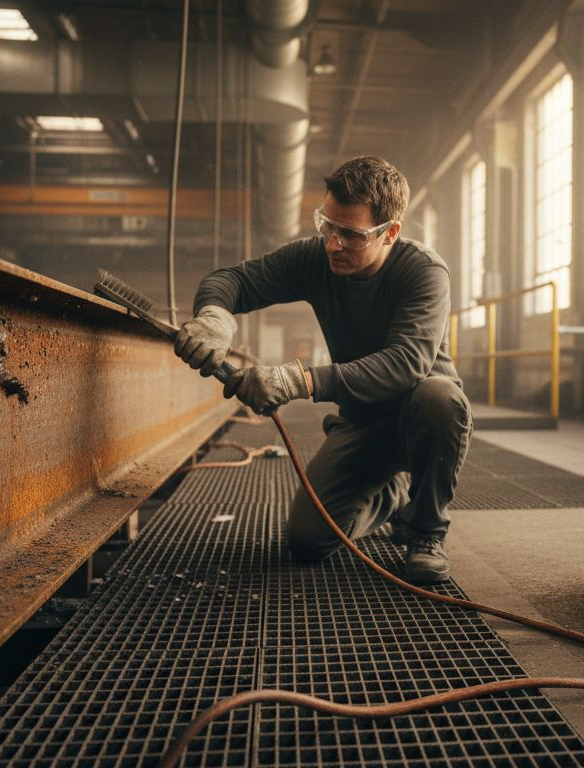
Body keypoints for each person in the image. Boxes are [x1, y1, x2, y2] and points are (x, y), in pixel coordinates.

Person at [173, 156, 471, 585]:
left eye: (350, 234)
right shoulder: (317, 257)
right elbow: (231, 280)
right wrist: (215, 318)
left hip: (419, 417)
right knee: (308, 541)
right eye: (327, 225)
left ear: (390, 233)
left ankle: (425, 530)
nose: (333, 243)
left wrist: (296, 380)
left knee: (438, 397)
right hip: (363, 419)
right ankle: (389, 495)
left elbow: (405, 364)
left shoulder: (423, 271)